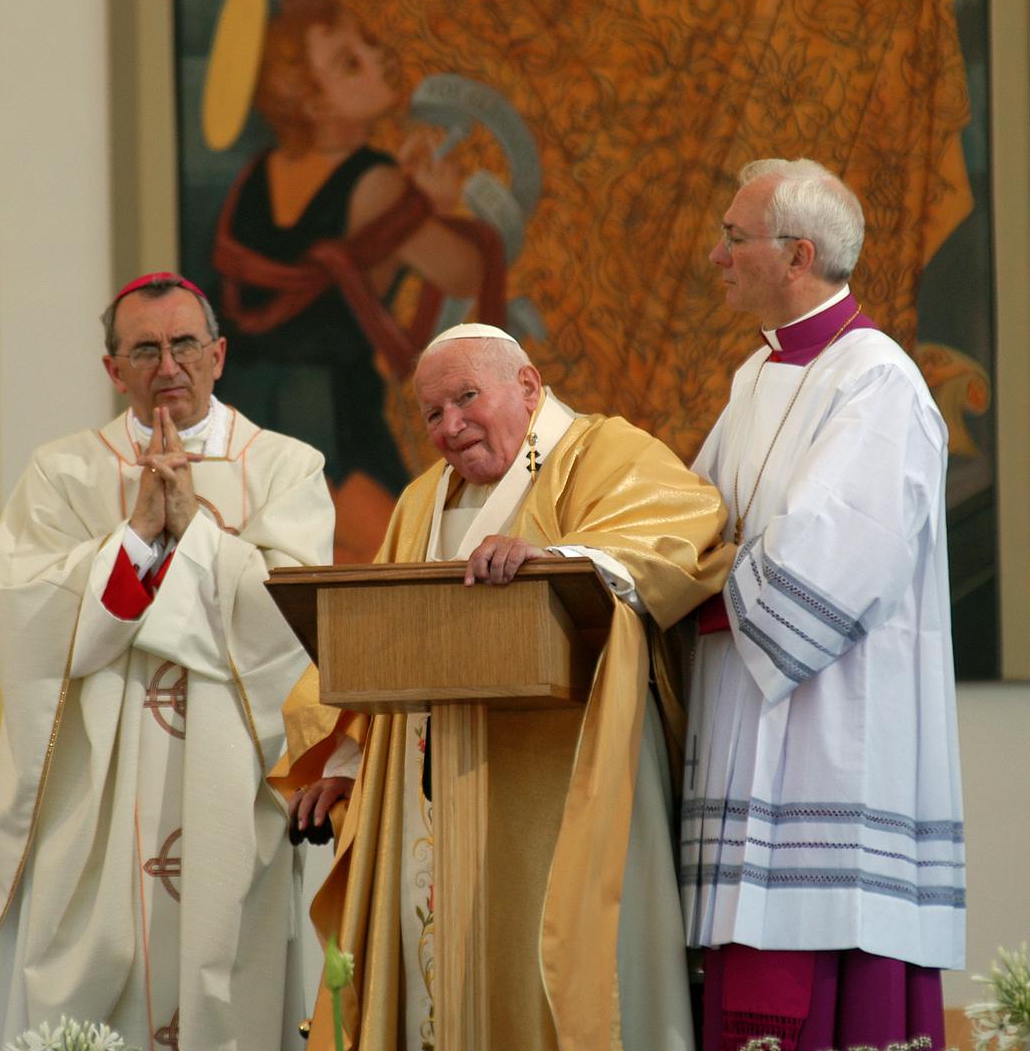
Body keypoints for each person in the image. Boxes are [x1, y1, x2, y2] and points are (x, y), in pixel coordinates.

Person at [272, 323, 733, 1051]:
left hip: (562, 778)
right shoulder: (423, 499)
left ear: (527, 385)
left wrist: (556, 559)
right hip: (430, 789)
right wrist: (346, 766)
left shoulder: (603, 453)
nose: (450, 427)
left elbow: (686, 527)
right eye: (432, 413)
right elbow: (375, 639)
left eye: (465, 398)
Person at [0, 273, 334, 1051]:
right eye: (144, 349)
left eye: (185, 344)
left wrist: (195, 531)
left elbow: (299, 627)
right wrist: (133, 539)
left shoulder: (285, 469)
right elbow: (24, 611)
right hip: (99, 793)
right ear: (112, 369)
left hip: (229, 779)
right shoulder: (62, 474)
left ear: (219, 354)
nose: (169, 365)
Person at [679, 159, 965, 1051]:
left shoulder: (878, 382)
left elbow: (832, 552)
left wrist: (692, 593)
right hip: (745, 735)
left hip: (831, 746)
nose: (718, 255)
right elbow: (688, 519)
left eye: (735, 237)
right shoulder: (754, 378)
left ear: (797, 254)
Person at [212, 0, 505, 563]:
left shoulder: (257, 176)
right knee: (405, 576)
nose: (378, 59)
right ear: (313, 102)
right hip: (328, 412)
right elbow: (463, 270)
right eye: (350, 61)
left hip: (246, 410)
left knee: (311, 579)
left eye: (366, 44)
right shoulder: (374, 182)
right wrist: (439, 205)